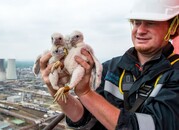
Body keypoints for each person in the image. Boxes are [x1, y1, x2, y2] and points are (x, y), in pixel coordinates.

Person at [39, 0, 179, 129]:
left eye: (151, 23)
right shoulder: (111, 68)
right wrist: (54, 87)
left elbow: (157, 125)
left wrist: (86, 93)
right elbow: (81, 116)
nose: (140, 30)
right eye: (136, 22)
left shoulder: (175, 73)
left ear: (173, 27)